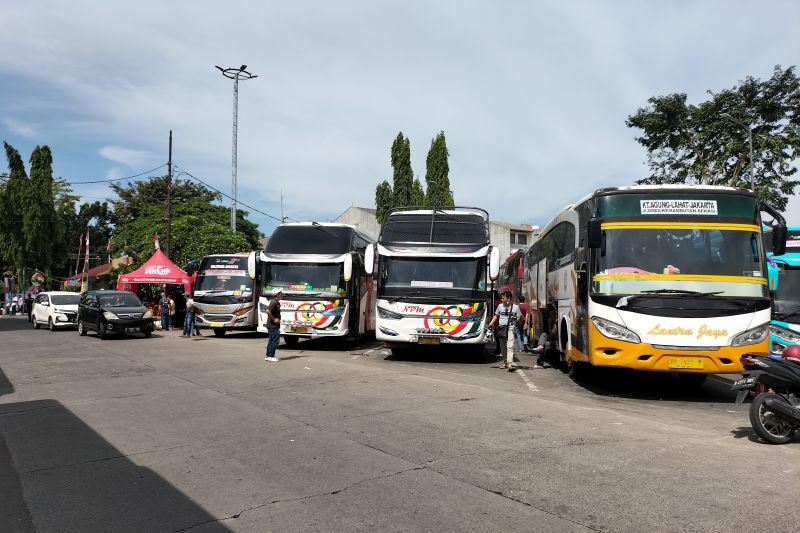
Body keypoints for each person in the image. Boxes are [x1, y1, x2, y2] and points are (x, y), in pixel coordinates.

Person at [487, 290, 521, 370]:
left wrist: (515, 320)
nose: (502, 300)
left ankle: (509, 363)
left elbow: (519, 316)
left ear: (508, 298)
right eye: (501, 298)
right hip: (501, 328)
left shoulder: (515, 307)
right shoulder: (500, 306)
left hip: (510, 328)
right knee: (502, 347)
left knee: (510, 345)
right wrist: (490, 324)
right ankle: (505, 362)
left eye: (503, 298)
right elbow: (496, 316)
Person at [265, 288, 283, 362]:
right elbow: (268, 311)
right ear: (277, 294)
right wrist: (274, 319)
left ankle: (268, 355)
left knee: (271, 340)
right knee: (275, 340)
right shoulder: (273, 302)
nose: (282, 294)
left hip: (273, 325)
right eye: (280, 292)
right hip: (272, 325)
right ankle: (271, 356)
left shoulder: (277, 302)